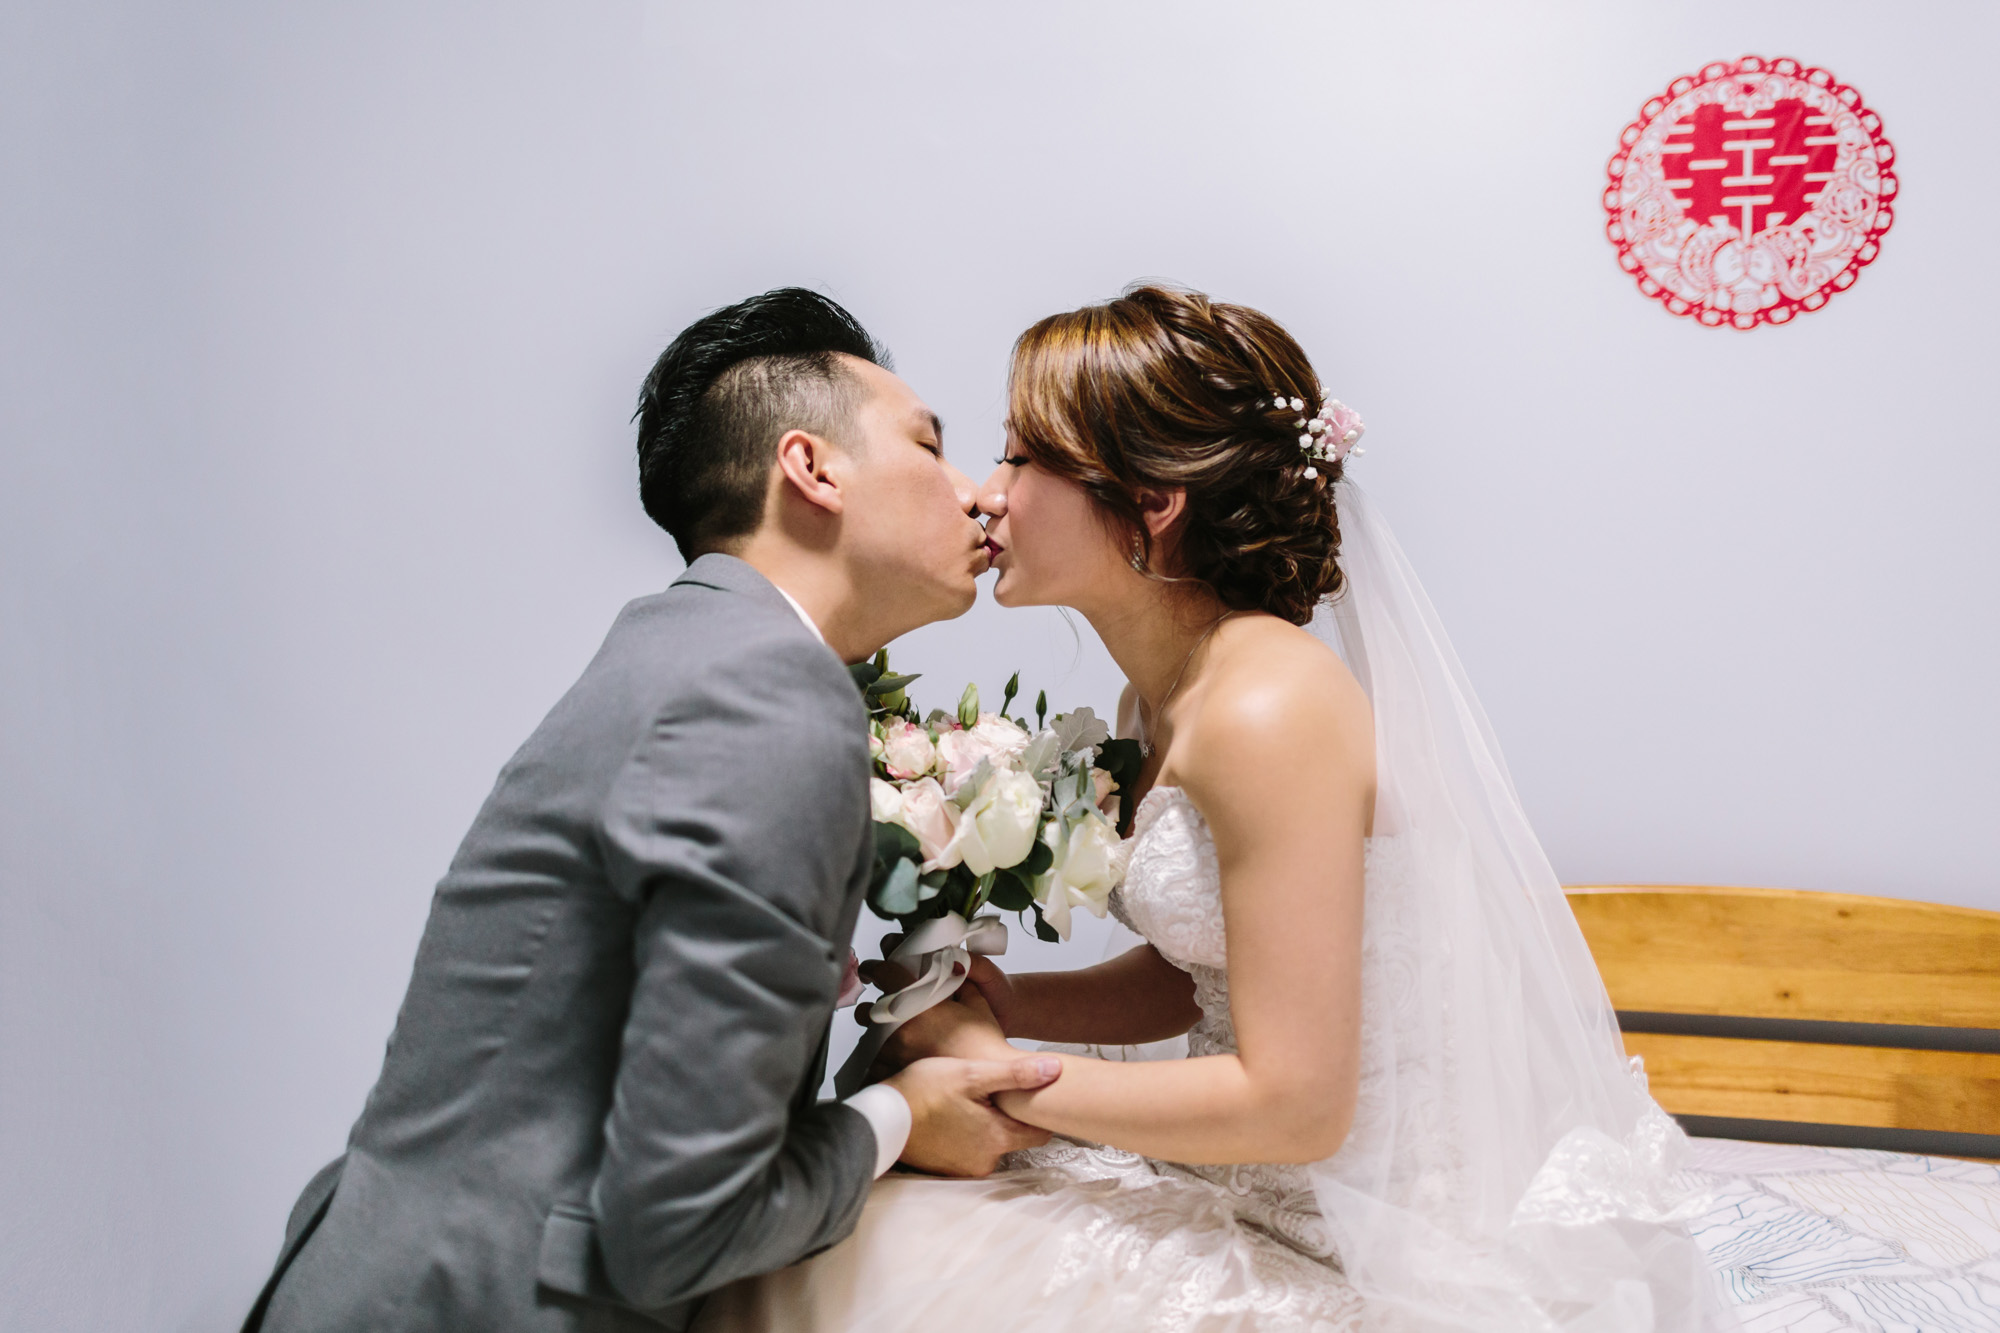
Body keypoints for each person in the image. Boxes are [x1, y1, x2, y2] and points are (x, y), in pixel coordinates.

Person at [696, 285, 1730, 1332]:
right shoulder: (1159, 696)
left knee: (858, 1251)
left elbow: (1298, 1104)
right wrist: (1005, 1003)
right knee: (849, 1227)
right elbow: (1203, 976)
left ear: (1152, 502)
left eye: (1021, 458)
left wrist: (1000, 1079)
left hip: (1369, 1230)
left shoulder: (1267, 708)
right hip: (1247, 1179)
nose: (986, 496)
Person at [242, 288, 1064, 1333]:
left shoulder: (685, 649)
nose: (975, 493)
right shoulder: (765, 694)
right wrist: (899, 1115)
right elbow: (681, 1226)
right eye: (928, 445)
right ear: (811, 469)